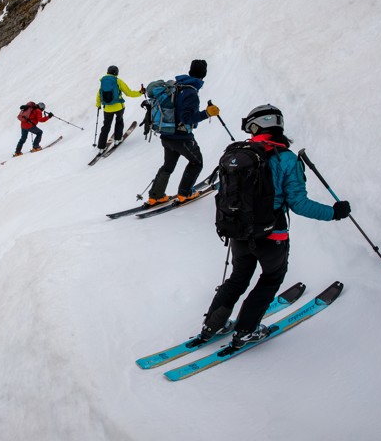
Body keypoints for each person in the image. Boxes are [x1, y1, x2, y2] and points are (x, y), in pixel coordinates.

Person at [197, 104, 351, 349]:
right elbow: (299, 204)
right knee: (270, 278)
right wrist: (333, 213)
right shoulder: (286, 158)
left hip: (238, 231)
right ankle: (245, 331)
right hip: (271, 234)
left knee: (237, 279)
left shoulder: (236, 154)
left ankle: (211, 325)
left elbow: (222, 191)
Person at [146, 59, 219, 205]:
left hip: (167, 135)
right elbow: (186, 118)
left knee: (168, 166)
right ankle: (185, 193)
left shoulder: (178, 86)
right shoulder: (190, 92)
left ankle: (156, 196)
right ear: (203, 75)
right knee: (196, 162)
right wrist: (207, 113)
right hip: (181, 137)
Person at [96, 65, 144, 151]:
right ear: (116, 73)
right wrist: (140, 92)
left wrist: (98, 104)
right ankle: (117, 140)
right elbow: (129, 93)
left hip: (107, 109)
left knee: (106, 126)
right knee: (119, 122)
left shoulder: (103, 81)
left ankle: (101, 147)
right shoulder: (118, 81)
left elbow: (99, 94)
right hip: (119, 107)